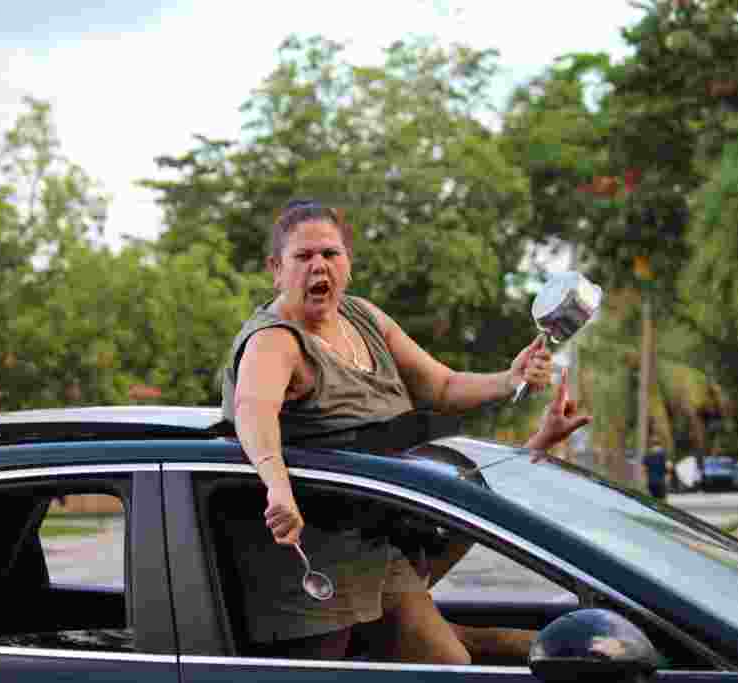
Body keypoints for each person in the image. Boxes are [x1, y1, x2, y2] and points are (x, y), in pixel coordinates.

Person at [222, 199, 590, 663]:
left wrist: (509, 379)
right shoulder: (273, 341)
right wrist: (277, 487)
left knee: (454, 656)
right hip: (309, 567)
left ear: (348, 263)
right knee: (433, 664)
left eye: (331, 254)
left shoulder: (365, 318)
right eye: (303, 256)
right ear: (277, 269)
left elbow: (442, 385)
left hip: (378, 545)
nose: (319, 266)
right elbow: (253, 410)